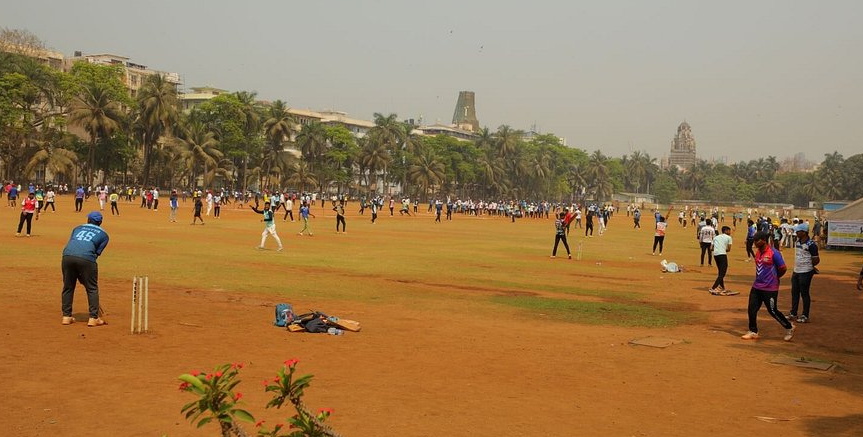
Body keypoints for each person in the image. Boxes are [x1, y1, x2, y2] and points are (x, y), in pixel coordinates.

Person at [741, 232, 795, 341]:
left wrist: (775, 277)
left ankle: (789, 327)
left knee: (772, 311)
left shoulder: (774, 253)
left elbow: (783, 268)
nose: (755, 243)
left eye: (757, 240)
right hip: (757, 286)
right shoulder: (758, 252)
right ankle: (753, 331)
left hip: (770, 288)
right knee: (751, 309)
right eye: (754, 240)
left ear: (764, 240)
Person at [61, 211, 109, 327]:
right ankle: (93, 318)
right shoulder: (104, 235)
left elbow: (75, 244)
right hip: (87, 258)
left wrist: (79, 274)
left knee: (68, 287)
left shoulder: (77, 228)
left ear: (88, 220)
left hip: (67, 256)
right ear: (100, 222)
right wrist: (84, 277)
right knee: (92, 288)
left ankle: (66, 317)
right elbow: (95, 254)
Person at [787, 223, 820, 323]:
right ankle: (793, 313)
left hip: (806, 271)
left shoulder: (811, 245)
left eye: (798, 231)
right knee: (794, 292)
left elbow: (816, 259)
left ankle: (805, 315)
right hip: (796, 271)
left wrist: (810, 267)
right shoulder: (798, 242)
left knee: (804, 293)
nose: (796, 233)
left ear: (804, 232)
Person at [710, 226, 733, 294]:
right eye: (729, 231)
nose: (730, 232)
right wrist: (722, 248)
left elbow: (711, 248)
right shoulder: (729, 237)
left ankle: (722, 287)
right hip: (722, 254)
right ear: (726, 231)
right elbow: (728, 249)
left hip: (715, 255)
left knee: (720, 271)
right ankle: (713, 287)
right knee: (723, 272)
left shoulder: (716, 237)